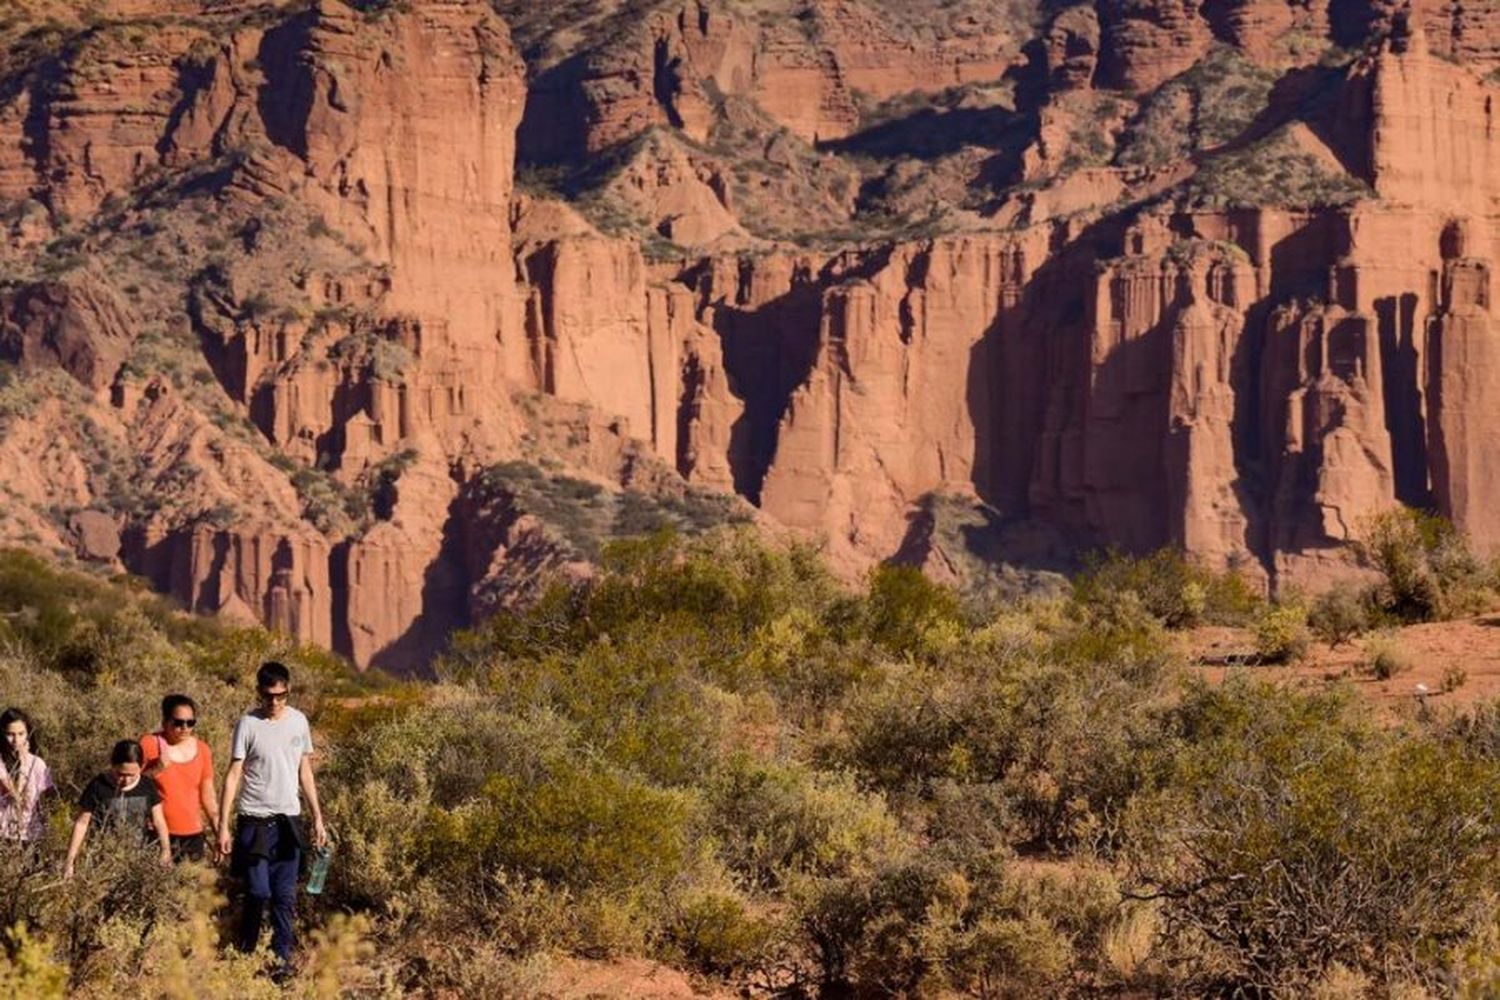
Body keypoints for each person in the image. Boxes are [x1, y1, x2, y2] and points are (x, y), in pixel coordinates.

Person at [217, 661, 327, 970]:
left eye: (281, 696)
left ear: (288, 691)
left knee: (284, 897)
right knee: (258, 891)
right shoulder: (248, 723)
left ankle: (281, 962)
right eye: (268, 696)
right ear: (259, 693)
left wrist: (317, 817)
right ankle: (246, 955)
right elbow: (233, 774)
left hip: (289, 820)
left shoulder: (299, 722)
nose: (274, 702)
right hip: (255, 819)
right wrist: (223, 827)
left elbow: (305, 771)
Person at [64, 740, 171, 878]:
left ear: (141, 767)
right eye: (121, 774)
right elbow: (82, 823)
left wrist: (165, 851)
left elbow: (159, 821)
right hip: (102, 861)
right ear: (112, 766)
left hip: (138, 861)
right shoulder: (97, 785)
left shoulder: (147, 786)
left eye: (132, 775)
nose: (126, 780)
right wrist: (70, 860)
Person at [141, 694, 220, 863]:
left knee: (190, 887)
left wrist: (219, 832)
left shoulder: (203, 750)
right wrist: (156, 769)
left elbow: (208, 797)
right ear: (165, 721)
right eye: (178, 722)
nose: (184, 728)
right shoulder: (149, 744)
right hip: (158, 833)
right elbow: (133, 784)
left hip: (193, 834)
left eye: (190, 723)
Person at [0, 707, 53, 847]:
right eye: (10, 734)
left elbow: (46, 800)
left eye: (21, 734)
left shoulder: (38, 763)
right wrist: (23, 762)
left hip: (32, 834)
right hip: (5, 834)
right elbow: (16, 797)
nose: (16, 740)